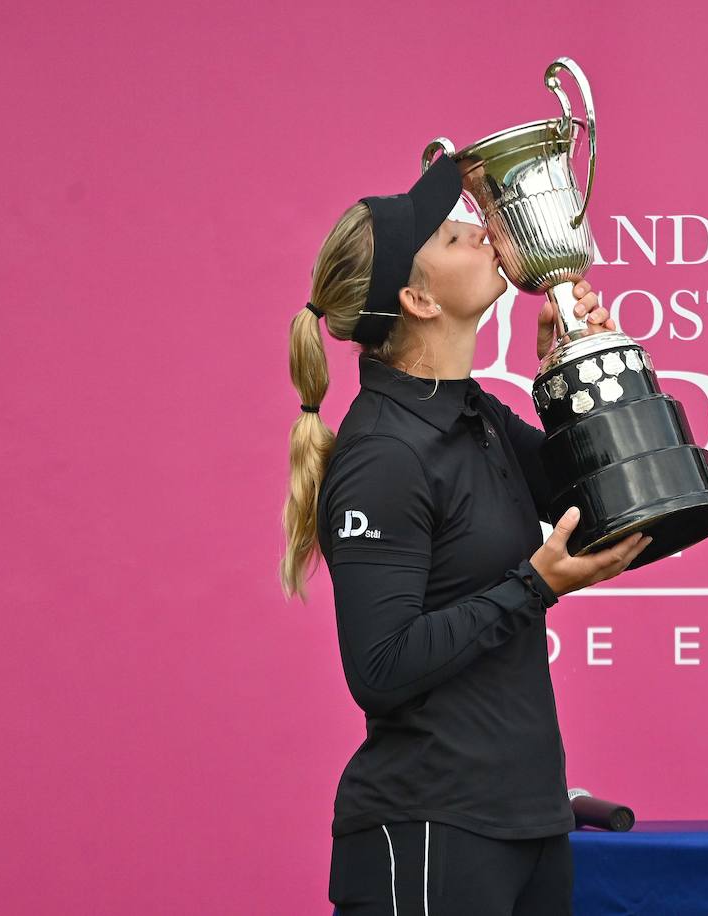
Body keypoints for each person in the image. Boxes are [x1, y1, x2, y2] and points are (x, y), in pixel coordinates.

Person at [279, 154, 651, 915]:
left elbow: (609, 511)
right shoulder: (383, 455)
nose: (483, 233)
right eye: (453, 238)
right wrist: (535, 586)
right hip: (428, 833)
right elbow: (377, 669)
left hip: (529, 826)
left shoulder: (472, 411)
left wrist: (572, 370)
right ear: (417, 299)